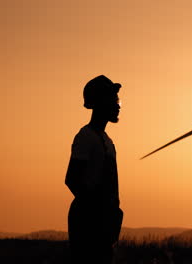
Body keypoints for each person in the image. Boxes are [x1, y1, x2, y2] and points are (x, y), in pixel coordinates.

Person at [65, 75, 124, 264]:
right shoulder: (85, 137)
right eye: (113, 100)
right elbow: (72, 179)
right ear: (100, 103)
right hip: (88, 221)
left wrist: (113, 212)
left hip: (105, 220)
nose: (118, 105)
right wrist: (96, 212)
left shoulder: (108, 141)